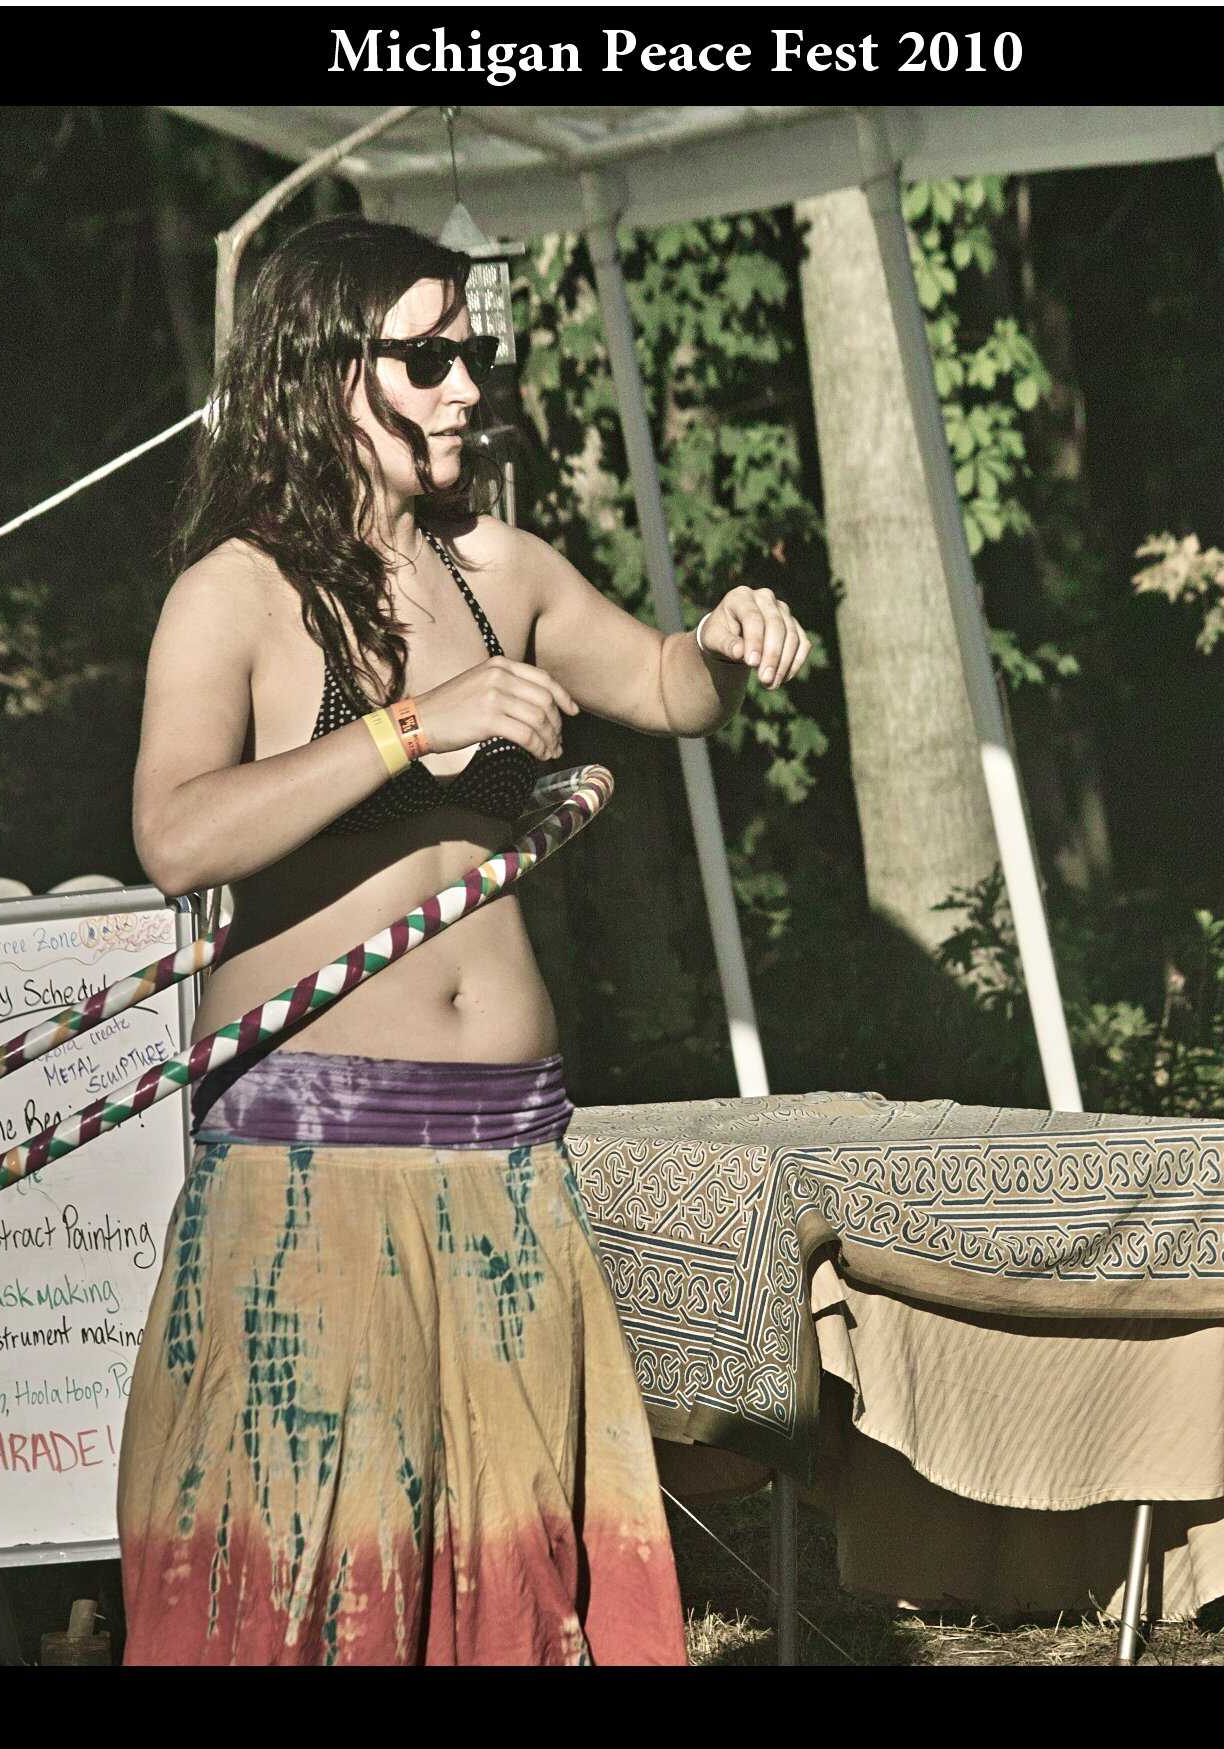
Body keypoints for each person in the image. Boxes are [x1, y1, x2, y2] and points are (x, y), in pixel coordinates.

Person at [116, 215, 810, 1666]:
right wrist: (408, 728)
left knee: (507, 1566)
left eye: (471, 354)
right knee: (321, 1564)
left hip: (507, 1151)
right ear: (323, 369)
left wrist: (730, 638)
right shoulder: (235, 592)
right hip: (313, 1158)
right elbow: (175, 834)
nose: (465, 389)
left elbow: (666, 689)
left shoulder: (502, 568)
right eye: (425, 358)